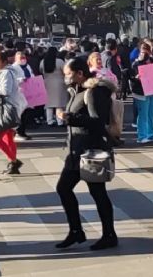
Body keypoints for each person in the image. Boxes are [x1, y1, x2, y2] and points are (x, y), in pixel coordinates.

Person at [55, 57, 117, 251]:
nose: (65, 78)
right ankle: (76, 231)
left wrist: (70, 118)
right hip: (75, 152)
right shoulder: (77, 90)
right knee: (63, 188)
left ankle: (109, 235)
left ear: (79, 73)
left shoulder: (95, 91)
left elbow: (98, 122)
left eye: (68, 74)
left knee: (98, 193)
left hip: (91, 151)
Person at [129, 43, 153, 144]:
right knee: (143, 113)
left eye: (146, 51)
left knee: (151, 113)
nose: (145, 53)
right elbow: (131, 77)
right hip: (142, 91)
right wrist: (136, 77)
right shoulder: (136, 64)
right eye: (142, 51)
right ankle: (142, 136)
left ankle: (151, 134)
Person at [10, 51, 35, 141]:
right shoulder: (13, 67)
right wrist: (21, 79)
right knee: (19, 114)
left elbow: (31, 74)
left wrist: (32, 78)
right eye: (21, 58)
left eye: (24, 57)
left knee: (26, 113)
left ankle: (23, 131)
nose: (23, 59)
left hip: (28, 92)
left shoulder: (27, 66)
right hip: (19, 93)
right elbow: (12, 80)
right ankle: (18, 132)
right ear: (16, 59)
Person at [41, 47, 68, 127]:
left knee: (49, 103)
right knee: (59, 103)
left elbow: (40, 70)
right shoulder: (60, 61)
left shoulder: (43, 62)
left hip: (47, 83)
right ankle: (60, 121)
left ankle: (49, 120)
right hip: (59, 83)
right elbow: (65, 71)